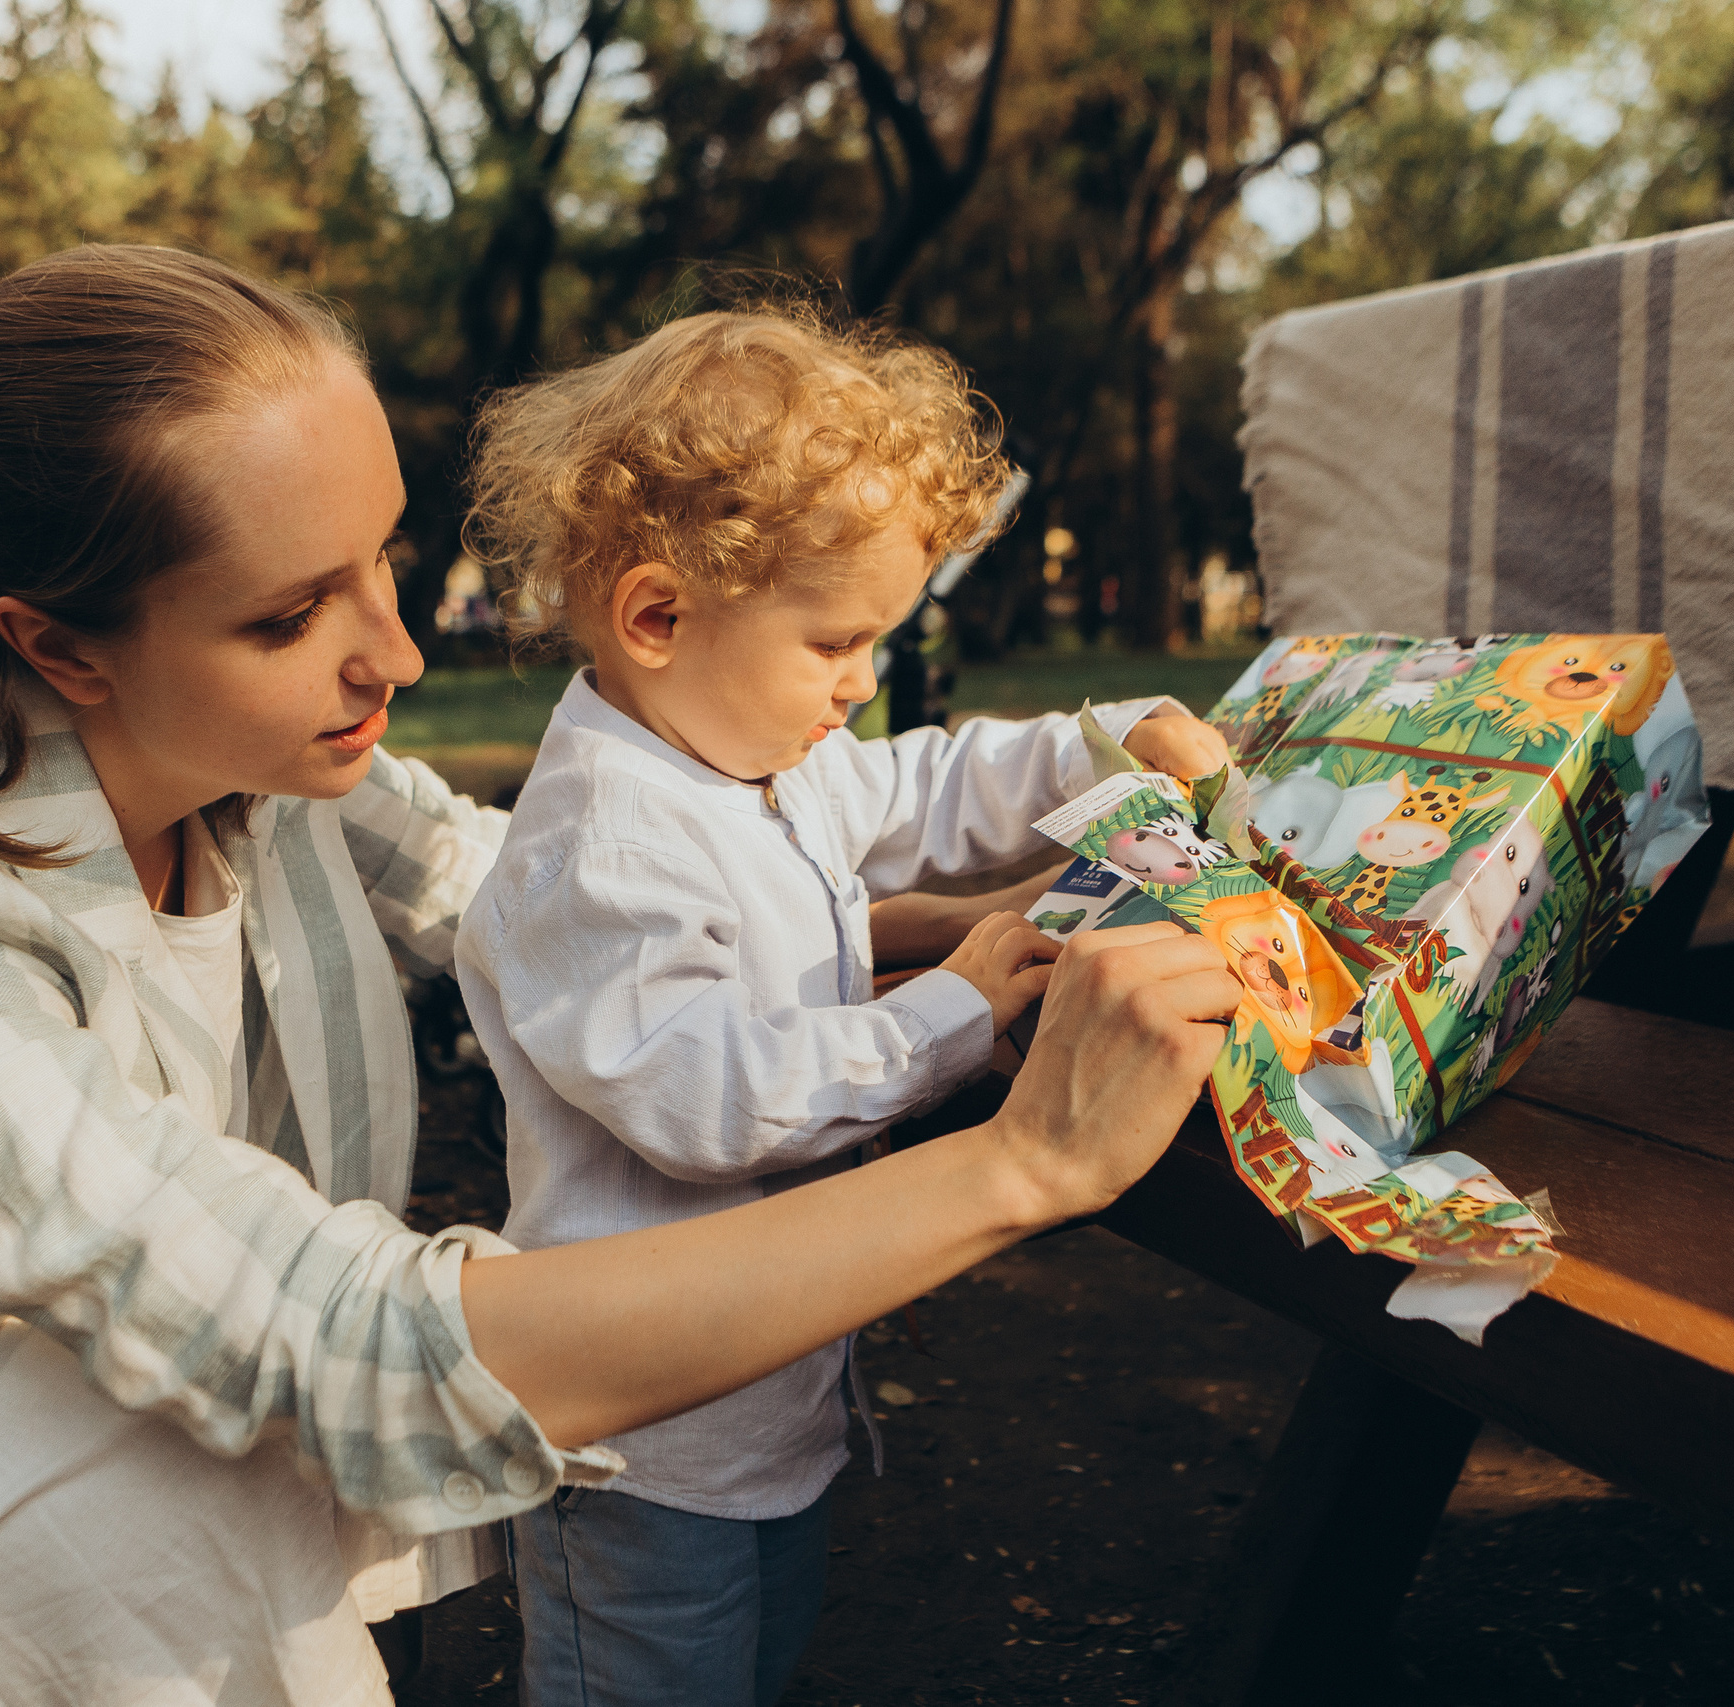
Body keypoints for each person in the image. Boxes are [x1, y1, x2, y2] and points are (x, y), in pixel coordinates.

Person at [0, 246, 1241, 1707]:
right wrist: (1027, 1161)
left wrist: (953, 926)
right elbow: (326, 1344)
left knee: (178, 1452)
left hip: (41, 1374)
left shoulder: (269, 761)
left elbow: (527, 910)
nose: (393, 652)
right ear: (55, 647)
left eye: (384, 558)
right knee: (177, 1475)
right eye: (288, 613)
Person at [452, 308, 1231, 1707]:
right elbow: (707, 1098)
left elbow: (925, 786)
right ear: (657, 615)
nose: (861, 680)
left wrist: (1098, 742)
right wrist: (943, 1015)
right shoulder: (604, 844)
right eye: (838, 640)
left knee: (758, 1662)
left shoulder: (752, 753)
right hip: (647, 1444)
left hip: (767, 1405)